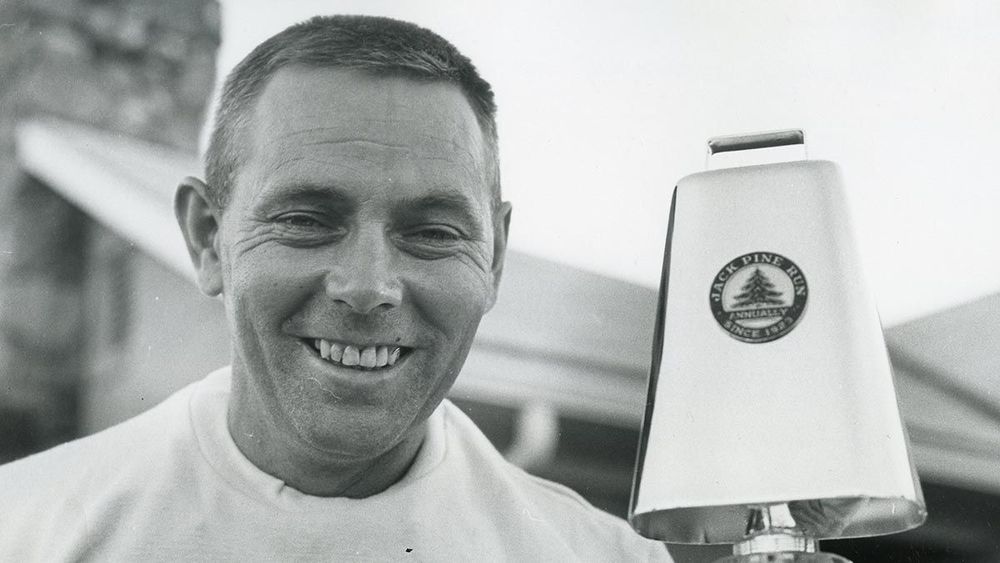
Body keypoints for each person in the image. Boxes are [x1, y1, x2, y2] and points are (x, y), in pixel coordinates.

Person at [0, 15, 672, 561]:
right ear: (208, 237)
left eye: (432, 232)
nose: (369, 286)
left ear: (493, 258)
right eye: (305, 220)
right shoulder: (27, 530)